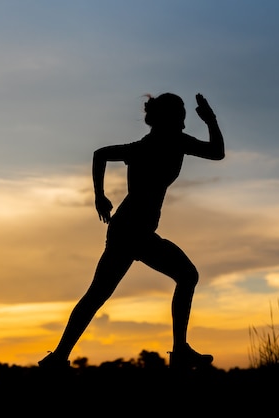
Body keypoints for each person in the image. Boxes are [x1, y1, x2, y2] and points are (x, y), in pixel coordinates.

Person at [38, 92, 225, 371]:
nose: (185, 119)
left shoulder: (156, 144)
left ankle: (57, 359)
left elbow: (100, 154)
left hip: (130, 230)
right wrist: (210, 120)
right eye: (182, 113)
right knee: (186, 276)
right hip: (132, 231)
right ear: (172, 118)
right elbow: (217, 152)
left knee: (98, 294)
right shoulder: (165, 143)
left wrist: (100, 196)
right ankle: (180, 351)